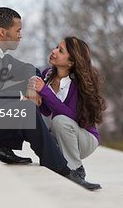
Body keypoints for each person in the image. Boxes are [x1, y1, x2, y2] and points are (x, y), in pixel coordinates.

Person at [0, 7, 101, 190]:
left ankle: (1, 147)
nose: (20, 35)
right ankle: (63, 169)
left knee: (30, 83)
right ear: (2, 32)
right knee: (26, 110)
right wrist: (22, 97)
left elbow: (30, 69)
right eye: (18, 30)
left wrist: (31, 87)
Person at [28, 37, 106, 182]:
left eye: (60, 50)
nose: (54, 51)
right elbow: (47, 111)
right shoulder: (47, 75)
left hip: (84, 139)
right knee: (42, 132)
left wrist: (45, 91)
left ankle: (76, 169)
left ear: (71, 62)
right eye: (56, 47)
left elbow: (71, 117)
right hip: (62, 133)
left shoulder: (77, 84)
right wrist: (37, 99)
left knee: (60, 121)